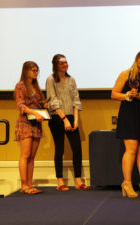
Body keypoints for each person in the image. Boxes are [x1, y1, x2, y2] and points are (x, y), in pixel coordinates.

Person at [111, 50, 140, 198]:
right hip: (128, 114)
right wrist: (128, 95)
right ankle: (127, 183)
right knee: (131, 149)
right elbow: (114, 94)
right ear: (136, 59)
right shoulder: (126, 74)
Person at [46, 54, 89, 191]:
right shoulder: (51, 79)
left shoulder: (72, 80)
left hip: (71, 116)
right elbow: (52, 100)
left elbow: (76, 100)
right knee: (60, 149)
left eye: (66, 62)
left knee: (77, 148)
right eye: (62, 63)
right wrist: (64, 119)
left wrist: (75, 120)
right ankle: (60, 182)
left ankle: (78, 181)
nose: (65, 65)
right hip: (57, 117)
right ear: (56, 65)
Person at [15, 61, 47, 194]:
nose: (36, 73)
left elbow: (40, 103)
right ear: (26, 71)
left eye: (37, 70)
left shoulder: (35, 86)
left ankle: (30, 184)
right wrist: (34, 113)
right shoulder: (20, 85)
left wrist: (45, 106)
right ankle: (24, 185)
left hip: (36, 123)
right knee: (25, 154)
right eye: (33, 70)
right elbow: (21, 105)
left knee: (32, 156)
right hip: (25, 122)